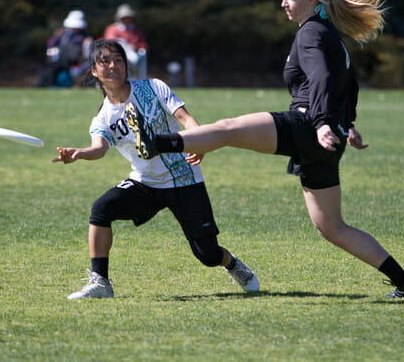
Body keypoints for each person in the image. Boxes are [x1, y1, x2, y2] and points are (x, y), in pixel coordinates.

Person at [125, 0, 404, 299]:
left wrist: (324, 121)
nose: (283, 3)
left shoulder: (311, 32)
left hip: (308, 125)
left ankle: (156, 143)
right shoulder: (327, 32)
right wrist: (345, 124)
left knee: (226, 130)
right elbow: (347, 83)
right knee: (332, 227)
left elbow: (323, 79)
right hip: (325, 136)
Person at [52, 39, 259, 299]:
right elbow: (99, 148)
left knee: (207, 255)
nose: (113, 65)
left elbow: (185, 119)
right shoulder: (103, 117)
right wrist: (79, 154)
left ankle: (233, 264)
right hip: (145, 183)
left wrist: (199, 141)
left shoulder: (153, 88)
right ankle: (101, 282)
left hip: (185, 179)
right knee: (101, 209)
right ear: (93, 70)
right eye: (105, 61)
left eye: (118, 60)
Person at [36, 10, 94, 87]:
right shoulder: (61, 34)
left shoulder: (84, 37)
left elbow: (85, 55)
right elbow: (51, 49)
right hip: (59, 62)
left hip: (75, 64)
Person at [103, 3, 148, 79]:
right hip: (117, 54)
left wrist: (134, 47)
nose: (126, 19)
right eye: (124, 17)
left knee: (142, 54)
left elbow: (143, 45)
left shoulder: (136, 30)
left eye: (128, 17)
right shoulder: (113, 28)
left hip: (135, 55)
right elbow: (110, 42)